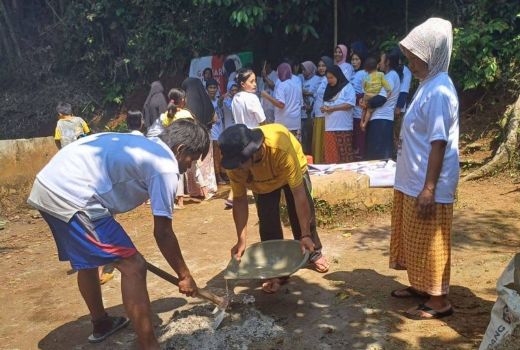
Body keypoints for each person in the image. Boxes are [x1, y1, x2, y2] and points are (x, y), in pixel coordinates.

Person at [27, 119, 210, 348]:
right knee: (134, 266)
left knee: (88, 261)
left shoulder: (141, 143)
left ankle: (102, 323)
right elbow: (163, 233)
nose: (189, 167)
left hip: (48, 186)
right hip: (73, 195)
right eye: (191, 160)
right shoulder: (164, 165)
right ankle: (148, 345)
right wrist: (184, 275)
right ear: (180, 150)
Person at [389, 17, 458, 321]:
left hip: (427, 183)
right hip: (412, 179)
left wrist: (429, 187)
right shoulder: (427, 84)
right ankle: (422, 286)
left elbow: (439, 142)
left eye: (414, 57)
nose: (410, 62)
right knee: (414, 235)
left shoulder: (440, 90)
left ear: (431, 53)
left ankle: (439, 300)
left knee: (431, 241)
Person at [218, 124, 330, 293]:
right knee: (268, 221)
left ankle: (314, 253)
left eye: (240, 164)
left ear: (253, 152)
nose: (237, 169)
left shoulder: (280, 147)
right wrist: (241, 240)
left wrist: (305, 234)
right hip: (262, 184)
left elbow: (299, 196)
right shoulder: (235, 166)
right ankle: (275, 271)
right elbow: (240, 200)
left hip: (289, 170)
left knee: (302, 216)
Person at [182, 77, 218, 200]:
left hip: (192, 136)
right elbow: (214, 119)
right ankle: (209, 188)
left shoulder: (186, 104)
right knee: (206, 162)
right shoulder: (206, 100)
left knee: (193, 163)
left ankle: (195, 190)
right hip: (206, 135)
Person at [365, 50, 402, 160]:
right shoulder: (391, 76)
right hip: (383, 118)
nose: (379, 63)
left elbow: (381, 98)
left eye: (381, 60)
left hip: (381, 119)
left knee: (377, 156)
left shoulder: (390, 76)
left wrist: (368, 103)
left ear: (388, 62)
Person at [320, 65, 356, 164]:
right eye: (327, 78)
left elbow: (350, 104)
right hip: (330, 127)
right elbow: (326, 104)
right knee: (331, 159)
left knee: (345, 158)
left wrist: (333, 108)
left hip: (343, 127)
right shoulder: (328, 90)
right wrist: (325, 109)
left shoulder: (347, 87)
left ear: (338, 76)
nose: (329, 80)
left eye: (331, 77)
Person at [261, 63, 303, 140]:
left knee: (284, 149)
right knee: (295, 148)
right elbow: (300, 103)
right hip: (296, 123)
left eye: (278, 71)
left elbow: (281, 104)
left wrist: (266, 96)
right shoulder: (296, 85)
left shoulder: (282, 85)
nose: (276, 73)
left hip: (284, 123)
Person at [359, 56, 393, 130]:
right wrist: (389, 90)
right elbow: (385, 83)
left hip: (367, 95)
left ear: (366, 69)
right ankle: (365, 124)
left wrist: (366, 90)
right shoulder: (380, 74)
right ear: (377, 66)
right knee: (369, 110)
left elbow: (364, 86)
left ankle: (361, 121)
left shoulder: (367, 77)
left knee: (364, 108)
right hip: (374, 95)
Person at [312, 56, 334, 164]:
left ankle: (322, 163)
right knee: (318, 141)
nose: (321, 68)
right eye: (319, 66)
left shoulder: (328, 79)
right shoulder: (322, 79)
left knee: (322, 142)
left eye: (324, 66)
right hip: (318, 114)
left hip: (324, 115)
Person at [206, 78, 226, 185]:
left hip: (220, 130)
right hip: (212, 132)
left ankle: (222, 173)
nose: (213, 90)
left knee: (221, 153)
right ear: (207, 89)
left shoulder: (218, 100)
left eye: (214, 87)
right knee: (216, 155)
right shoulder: (206, 101)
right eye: (210, 88)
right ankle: (217, 176)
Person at [350, 51, 369, 160]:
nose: (354, 62)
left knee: (360, 140)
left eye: (357, 59)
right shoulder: (353, 73)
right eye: (352, 59)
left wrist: (355, 99)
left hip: (360, 113)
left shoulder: (363, 73)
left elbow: (365, 93)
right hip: (353, 113)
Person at [300, 61, 322, 155]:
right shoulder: (303, 80)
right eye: (302, 70)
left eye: (305, 70)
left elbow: (317, 94)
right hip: (304, 113)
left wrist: (305, 93)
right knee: (304, 138)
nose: (303, 72)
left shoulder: (318, 79)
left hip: (312, 113)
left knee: (310, 137)